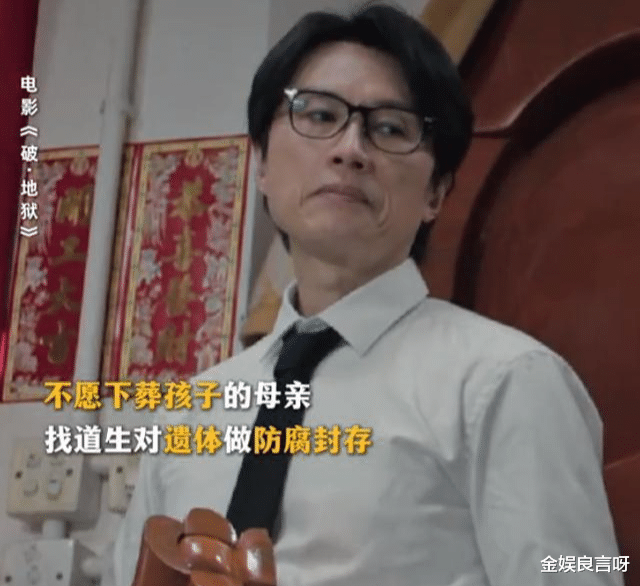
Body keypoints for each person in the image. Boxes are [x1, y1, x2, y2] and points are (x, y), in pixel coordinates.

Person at [114, 4, 623, 586]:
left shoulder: (508, 382)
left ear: (436, 193)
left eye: (390, 129)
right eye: (319, 114)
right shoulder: (188, 412)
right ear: (261, 165)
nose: (349, 149)